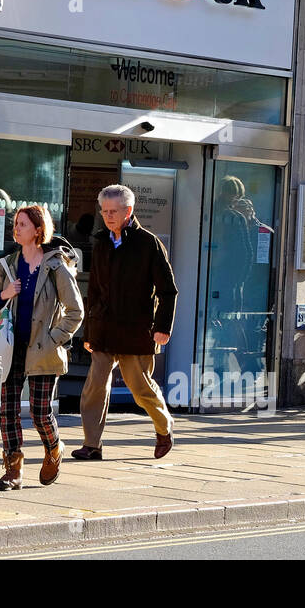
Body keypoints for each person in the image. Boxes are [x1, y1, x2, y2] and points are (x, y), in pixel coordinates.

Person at [0, 205, 84, 490]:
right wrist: (4, 294)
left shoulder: (56, 266)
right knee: (7, 410)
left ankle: (54, 448)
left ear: (38, 230)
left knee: (40, 412)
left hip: (43, 349)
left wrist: (53, 340)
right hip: (11, 349)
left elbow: (76, 311)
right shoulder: (6, 265)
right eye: (15, 224)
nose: (16, 229)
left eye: (23, 224)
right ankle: (13, 469)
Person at [75, 184, 178, 461]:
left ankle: (164, 427)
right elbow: (94, 290)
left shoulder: (148, 243)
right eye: (104, 211)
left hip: (136, 331)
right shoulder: (101, 242)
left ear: (128, 211)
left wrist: (162, 328)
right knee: (94, 386)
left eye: (113, 211)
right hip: (104, 331)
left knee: (140, 388)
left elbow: (168, 290)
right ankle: (92, 444)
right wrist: (90, 331)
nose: (107, 216)